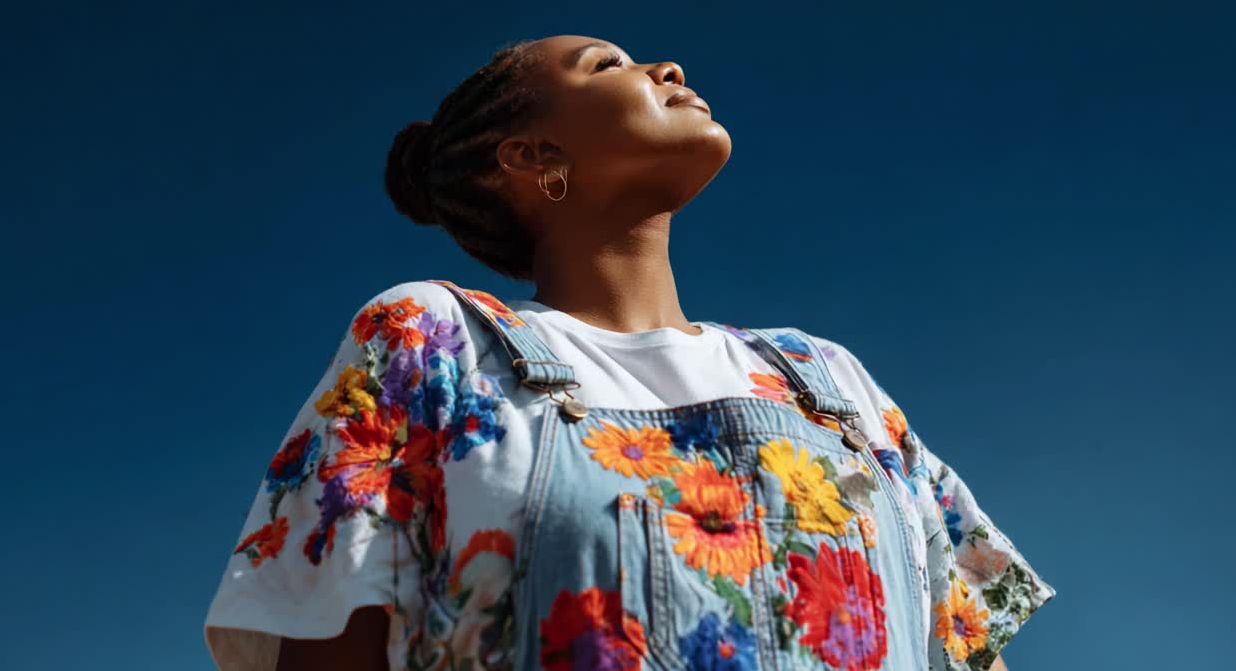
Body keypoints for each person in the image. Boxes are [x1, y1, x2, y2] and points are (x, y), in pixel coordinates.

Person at [202, 35, 1055, 671]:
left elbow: (962, 649)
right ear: (532, 156)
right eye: (606, 65)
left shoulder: (829, 377)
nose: (668, 67)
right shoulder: (433, 341)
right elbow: (329, 649)